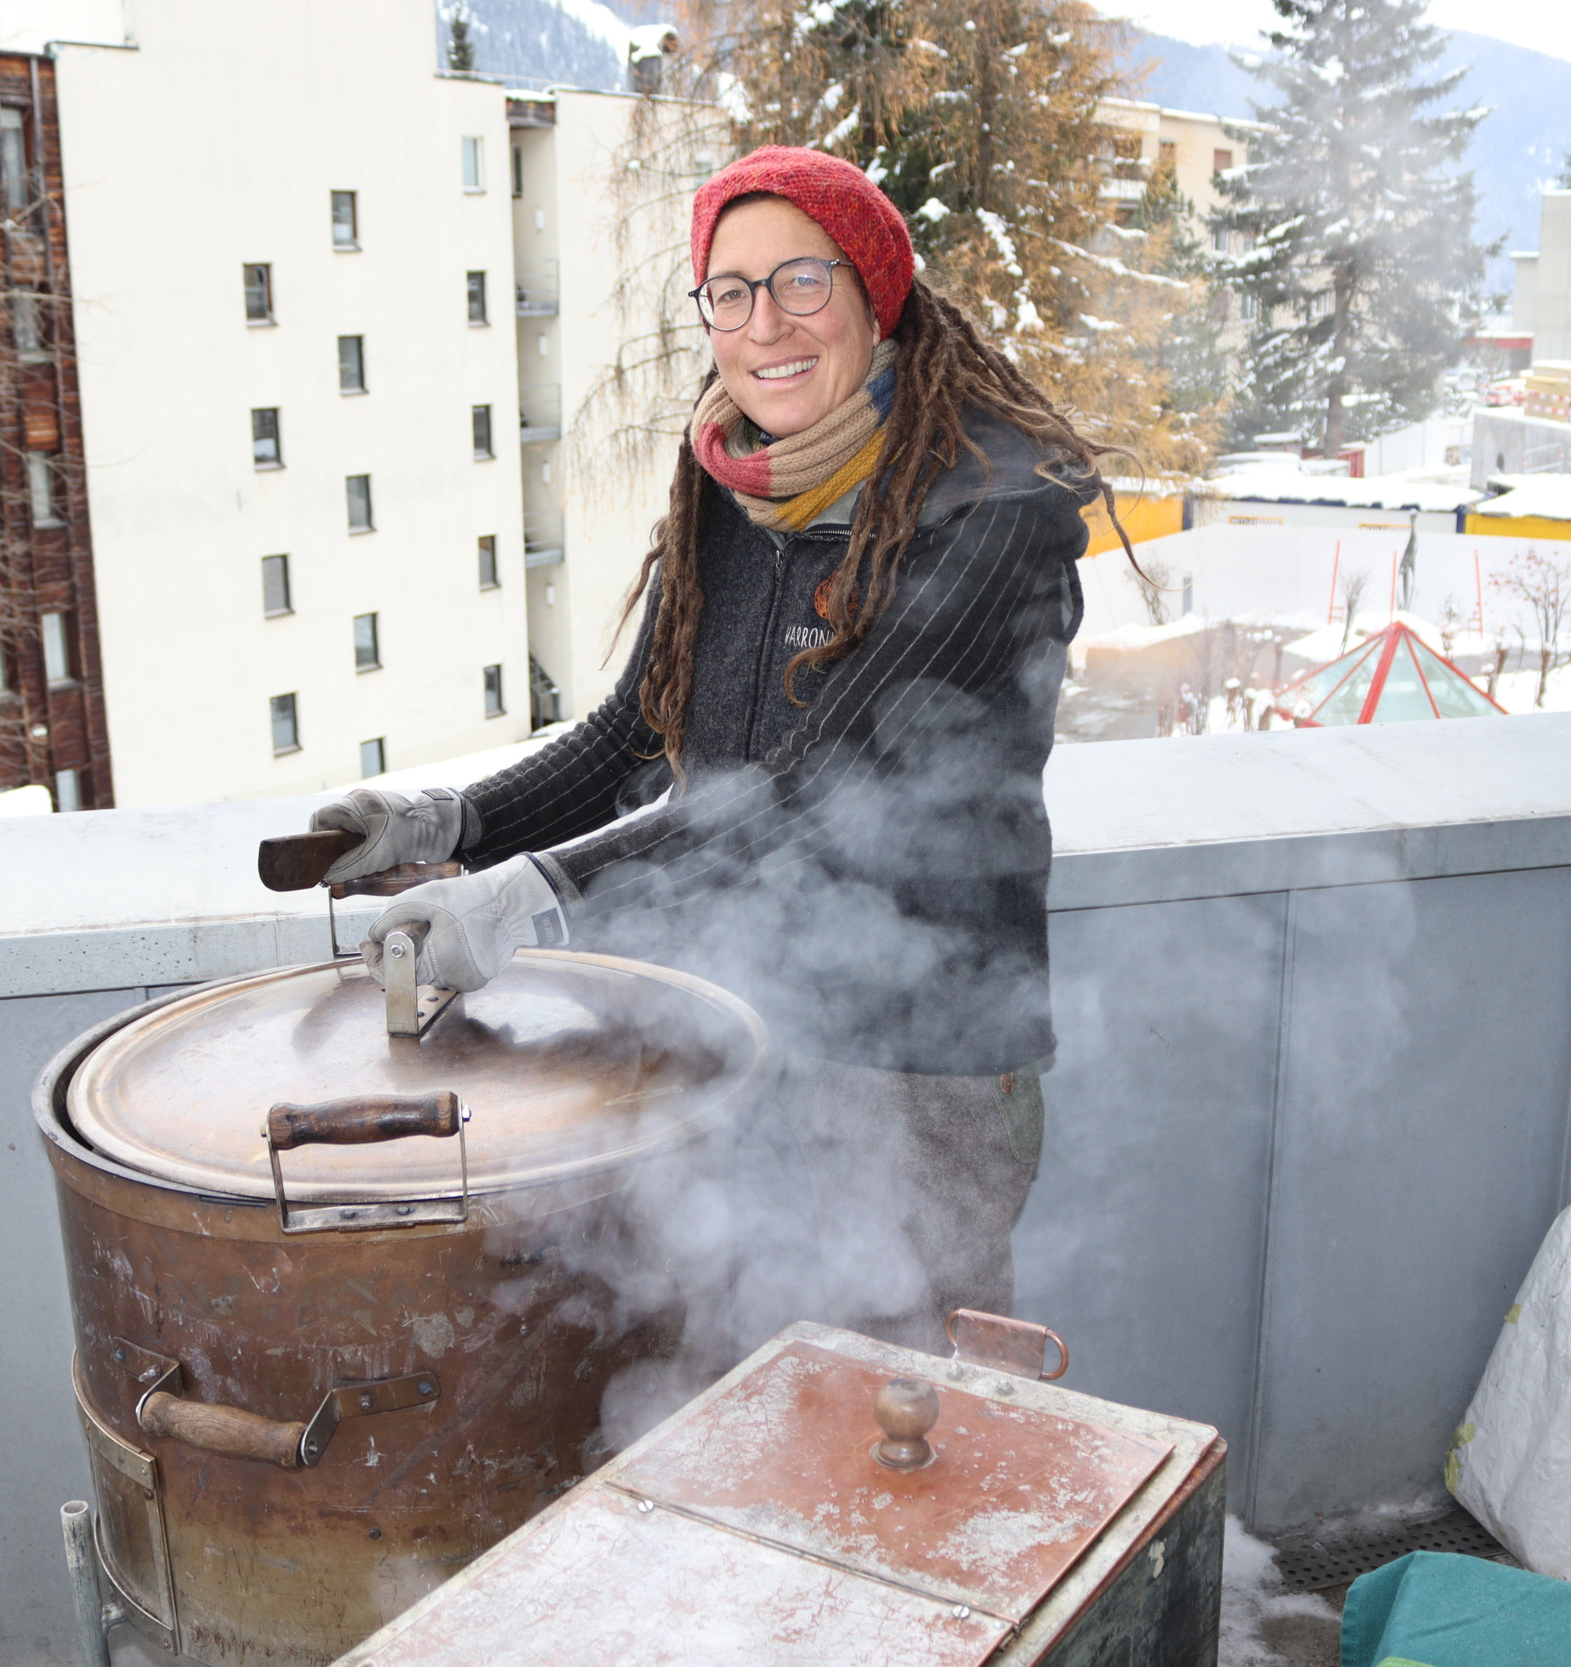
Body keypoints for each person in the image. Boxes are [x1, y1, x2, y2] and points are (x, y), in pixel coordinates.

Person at [301, 147, 1125, 1352]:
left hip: (917, 1072)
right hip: (726, 1032)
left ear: (874, 291)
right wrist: (448, 825)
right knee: (719, 1403)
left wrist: (527, 899)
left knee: (901, 1418)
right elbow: (635, 729)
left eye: (801, 279)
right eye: (728, 291)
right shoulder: (735, 492)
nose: (762, 323)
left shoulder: (991, 507)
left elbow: (812, 792)